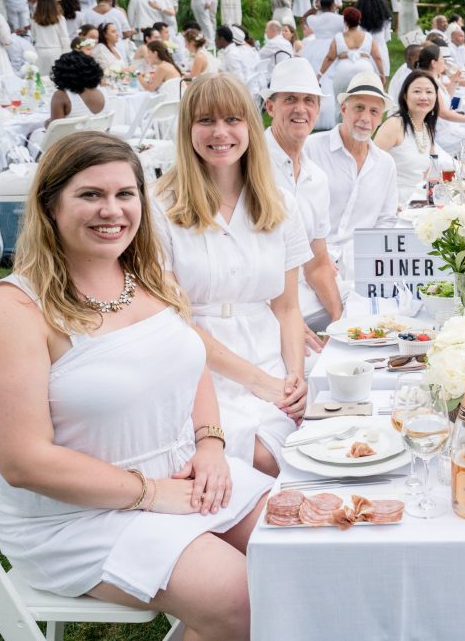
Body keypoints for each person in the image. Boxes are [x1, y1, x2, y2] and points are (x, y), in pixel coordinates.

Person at [0, 131, 273, 639]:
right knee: (242, 600)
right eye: (90, 195)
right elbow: (23, 462)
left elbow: (191, 364)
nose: (111, 210)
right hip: (74, 519)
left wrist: (212, 446)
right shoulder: (14, 309)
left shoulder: (150, 277)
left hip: (182, 477)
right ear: (49, 205)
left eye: (124, 194)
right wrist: (152, 493)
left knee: (305, 543)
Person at [154, 74, 310, 477]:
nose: (220, 133)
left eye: (232, 120)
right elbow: (175, 322)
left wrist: (293, 376)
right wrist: (260, 383)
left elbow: (288, 307)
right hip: (199, 372)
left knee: (314, 454)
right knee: (262, 461)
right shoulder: (160, 208)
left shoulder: (281, 204)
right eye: (205, 120)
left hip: (271, 361)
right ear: (187, 128)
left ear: (250, 127)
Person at [261, 57, 343, 340]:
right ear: (270, 106)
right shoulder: (249, 165)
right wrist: (290, 324)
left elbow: (318, 265)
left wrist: (340, 323)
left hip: (305, 302)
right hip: (261, 311)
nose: (301, 108)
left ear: (318, 109)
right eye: (290, 99)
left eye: (309, 100)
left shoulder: (316, 178)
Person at [303, 71, 399, 276]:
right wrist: (317, 256)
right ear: (344, 109)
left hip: (363, 263)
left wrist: (371, 258)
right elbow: (295, 213)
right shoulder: (311, 149)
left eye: (374, 111)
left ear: (380, 118)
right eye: (359, 108)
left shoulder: (385, 164)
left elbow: (386, 220)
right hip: (311, 259)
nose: (365, 118)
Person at [374, 69, 453, 203]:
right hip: (394, 203)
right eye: (417, 91)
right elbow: (370, 167)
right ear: (405, 96)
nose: (424, 97)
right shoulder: (395, 125)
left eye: (429, 92)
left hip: (419, 202)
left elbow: (429, 172)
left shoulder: (426, 127)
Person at [415, 43, 465, 154]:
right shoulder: (429, 82)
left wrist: (455, 81)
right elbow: (443, 113)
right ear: (433, 63)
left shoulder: (433, 78)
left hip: (445, 126)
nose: (444, 61)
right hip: (440, 133)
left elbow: (446, 99)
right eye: (442, 58)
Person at [320, 7, 387, 98]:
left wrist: (319, 74)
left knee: (341, 101)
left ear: (345, 21)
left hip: (343, 69)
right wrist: (382, 74)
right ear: (359, 20)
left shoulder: (338, 37)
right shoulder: (368, 37)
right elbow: (377, 57)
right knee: (364, 100)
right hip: (365, 69)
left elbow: (330, 58)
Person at [29, 0, 68, 74]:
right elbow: (64, 38)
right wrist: (66, 54)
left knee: (41, 79)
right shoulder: (60, 19)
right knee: (56, 79)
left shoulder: (34, 20)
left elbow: (33, 37)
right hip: (56, 51)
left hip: (40, 52)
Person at [304, 0, 344, 73]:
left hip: (315, 46)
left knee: (315, 67)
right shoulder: (340, 19)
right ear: (333, 5)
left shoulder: (313, 19)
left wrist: (315, 7)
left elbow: (305, 17)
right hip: (335, 45)